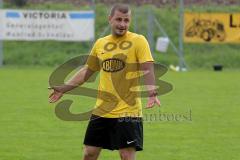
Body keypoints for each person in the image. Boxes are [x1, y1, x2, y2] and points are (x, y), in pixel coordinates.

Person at [49, 3, 160, 160]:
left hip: (128, 112)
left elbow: (147, 66)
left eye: (126, 20)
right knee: (89, 153)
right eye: (119, 19)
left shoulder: (138, 41)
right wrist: (64, 88)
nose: (122, 24)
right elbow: (87, 71)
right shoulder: (100, 43)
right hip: (101, 111)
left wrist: (151, 91)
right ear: (110, 19)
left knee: (126, 156)